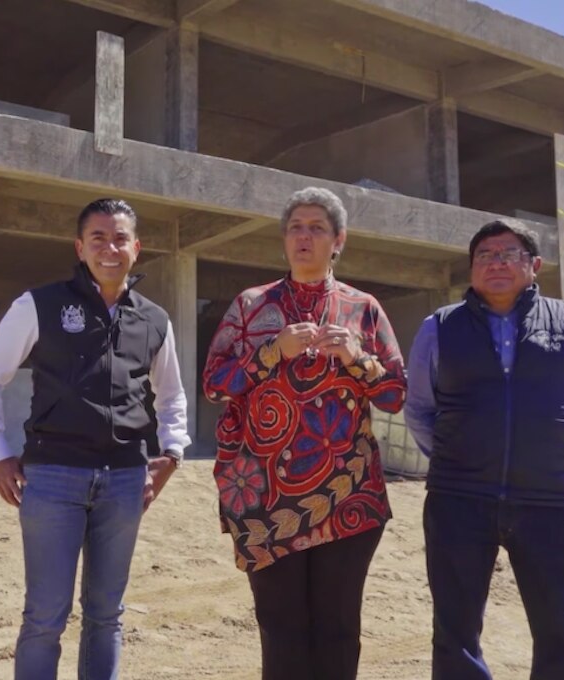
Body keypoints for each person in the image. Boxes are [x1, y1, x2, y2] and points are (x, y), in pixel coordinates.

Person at [0, 198, 190, 680]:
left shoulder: (154, 319)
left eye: (120, 239)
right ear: (80, 246)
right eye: (98, 238)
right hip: (52, 477)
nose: (110, 248)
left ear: (137, 247)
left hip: (126, 482)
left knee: (107, 614)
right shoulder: (41, 304)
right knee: (45, 616)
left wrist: (171, 453)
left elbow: (171, 394)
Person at [202, 187, 407, 680]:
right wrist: (272, 351)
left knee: (338, 632)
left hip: (348, 498)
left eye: (317, 228)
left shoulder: (364, 309)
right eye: (295, 227)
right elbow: (213, 383)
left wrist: (358, 359)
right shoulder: (251, 306)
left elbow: (395, 394)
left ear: (338, 240)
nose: (304, 236)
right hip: (265, 499)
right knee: (281, 630)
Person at [404, 219, 564, 680]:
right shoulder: (439, 328)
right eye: (484, 255)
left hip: (547, 503)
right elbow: (419, 410)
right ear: (471, 269)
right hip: (459, 500)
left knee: (560, 630)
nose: (495, 263)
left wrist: (556, 463)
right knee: (455, 632)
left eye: (508, 254)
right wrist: (456, 459)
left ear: (534, 265)